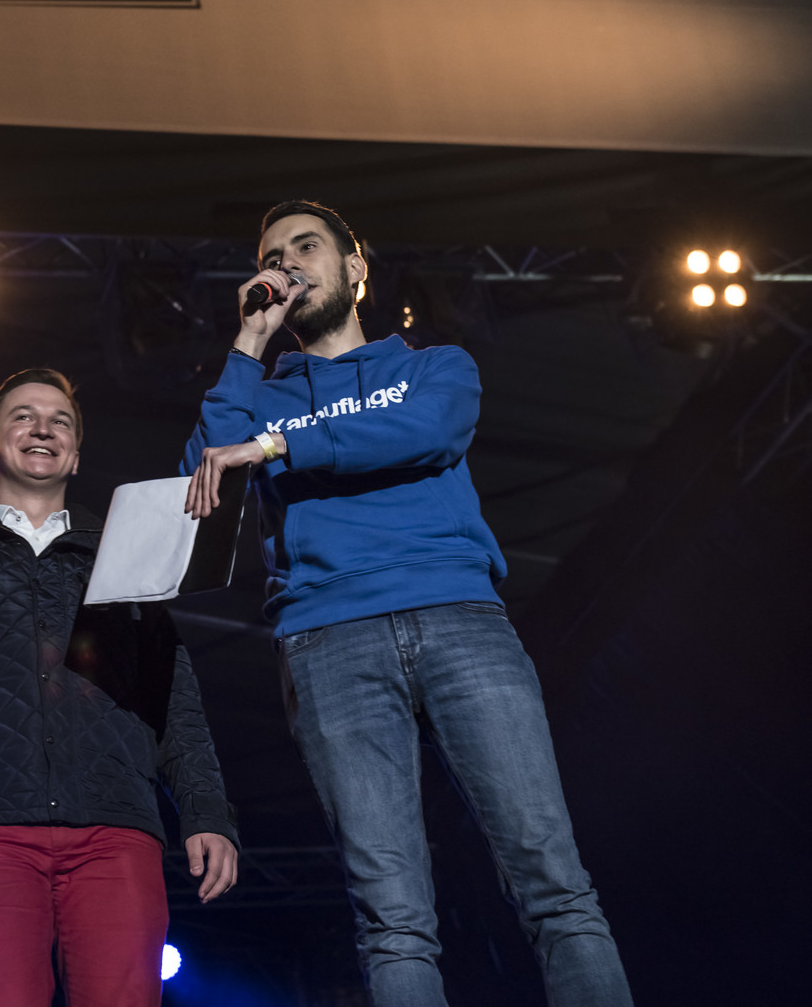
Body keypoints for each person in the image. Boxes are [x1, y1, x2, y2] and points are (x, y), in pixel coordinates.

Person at [181, 202, 632, 1007]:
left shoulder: (435, 367)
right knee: (391, 919)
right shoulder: (261, 393)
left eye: (306, 247)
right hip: (326, 640)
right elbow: (202, 487)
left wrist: (281, 444)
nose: (287, 265)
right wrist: (248, 345)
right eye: (273, 257)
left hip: (459, 619)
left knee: (554, 884)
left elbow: (426, 433)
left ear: (355, 269)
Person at [0, 368, 240, 1007]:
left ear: (77, 455)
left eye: (60, 421)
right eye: (23, 417)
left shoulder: (124, 559)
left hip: (116, 826)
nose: (43, 429)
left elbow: (174, 695)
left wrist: (207, 813)